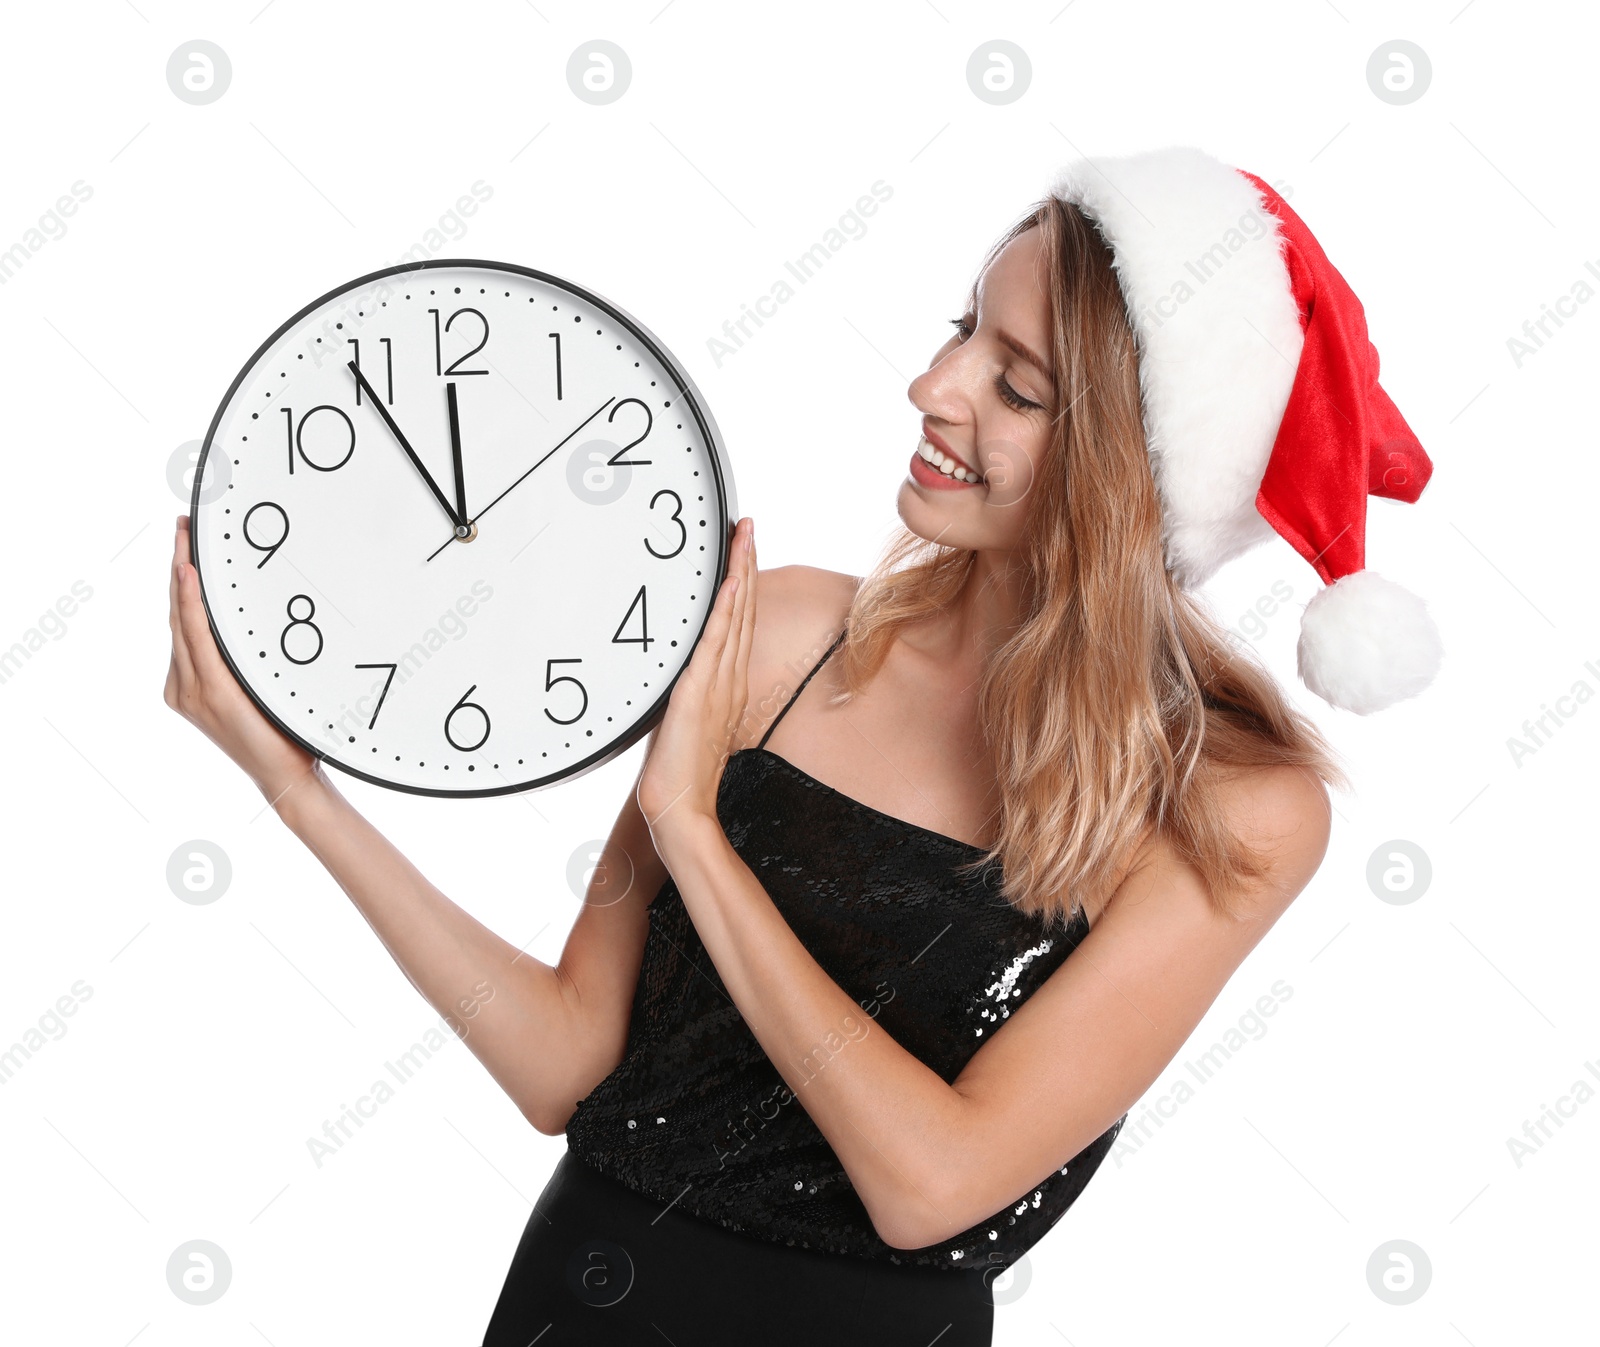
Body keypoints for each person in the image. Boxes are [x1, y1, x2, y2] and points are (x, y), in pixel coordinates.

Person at [163, 146, 1441, 1345]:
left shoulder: (1234, 810)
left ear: (1127, 471)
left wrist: (698, 841)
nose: (933, 389)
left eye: (1015, 385)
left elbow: (928, 1186)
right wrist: (291, 781)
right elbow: (565, 1065)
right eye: (962, 334)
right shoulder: (777, 639)